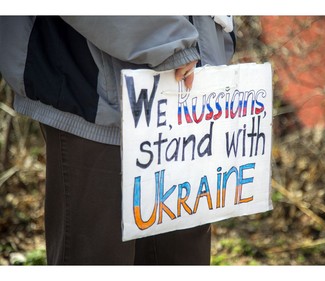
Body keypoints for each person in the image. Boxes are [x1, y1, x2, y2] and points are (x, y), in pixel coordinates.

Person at [0, 16, 236, 265]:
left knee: (181, 256)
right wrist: (168, 40)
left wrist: (212, 43)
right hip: (94, 98)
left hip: (186, 101)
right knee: (100, 257)